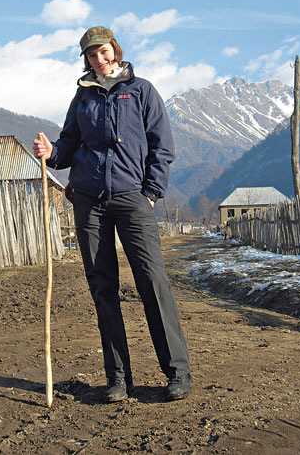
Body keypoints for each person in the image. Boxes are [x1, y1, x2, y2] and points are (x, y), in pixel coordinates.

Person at [33, 26, 191, 403]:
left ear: (115, 51)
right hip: (89, 200)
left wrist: (151, 193)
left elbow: (161, 147)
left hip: (132, 198)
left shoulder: (141, 90)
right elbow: (69, 144)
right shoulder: (83, 95)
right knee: (103, 287)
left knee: (152, 281)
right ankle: (118, 378)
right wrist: (50, 153)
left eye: (103, 52)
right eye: (91, 55)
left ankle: (177, 372)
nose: (99, 60)